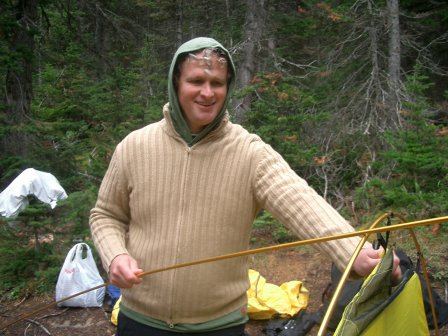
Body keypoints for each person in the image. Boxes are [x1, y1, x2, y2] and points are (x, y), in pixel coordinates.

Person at [89, 37, 401, 336]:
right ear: (175, 84)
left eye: (217, 83)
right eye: (196, 81)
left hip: (219, 326)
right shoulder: (134, 146)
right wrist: (115, 256)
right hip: (142, 321)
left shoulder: (249, 152)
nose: (207, 93)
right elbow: (106, 215)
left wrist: (354, 252)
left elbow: (302, 204)